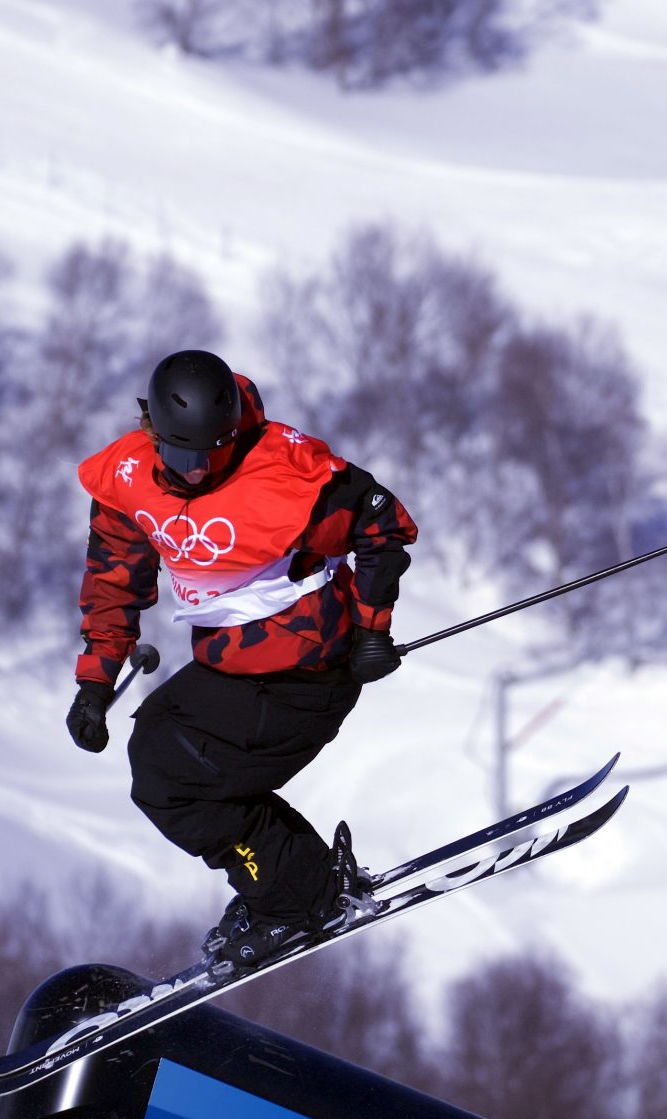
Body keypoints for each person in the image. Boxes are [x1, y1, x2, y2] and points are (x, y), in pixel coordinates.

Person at [64, 349, 419, 973]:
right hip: (233, 668)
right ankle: (290, 884)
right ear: (152, 432)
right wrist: (96, 684)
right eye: (181, 456)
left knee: (175, 775)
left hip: (308, 673)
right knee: (160, 755)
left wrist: (372, 629)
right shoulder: (130, 479)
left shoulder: (283, 472)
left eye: (214, 453)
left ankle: (298, 895)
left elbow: (379, 518)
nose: (198, 472)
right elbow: (113, 579)